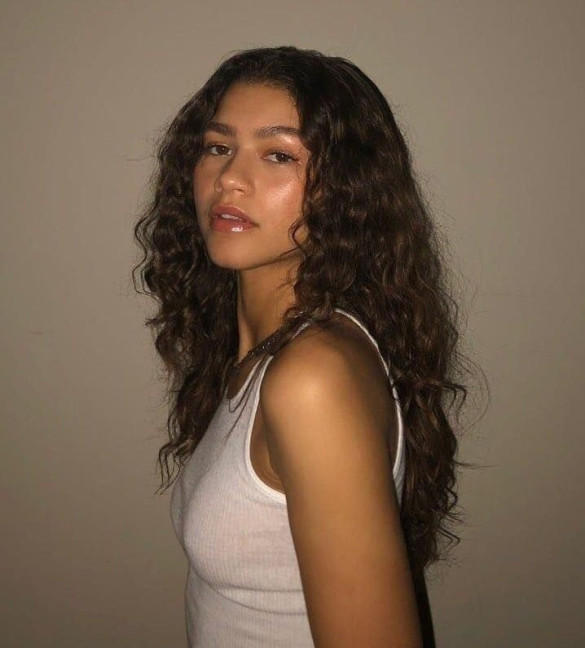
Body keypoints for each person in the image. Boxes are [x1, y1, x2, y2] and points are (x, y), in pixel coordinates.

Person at [134, 46, 473, 648]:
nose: (229, 179)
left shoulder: (312, 376)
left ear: (345, 190)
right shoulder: (259, 353)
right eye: (217, 147)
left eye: (278, 155)